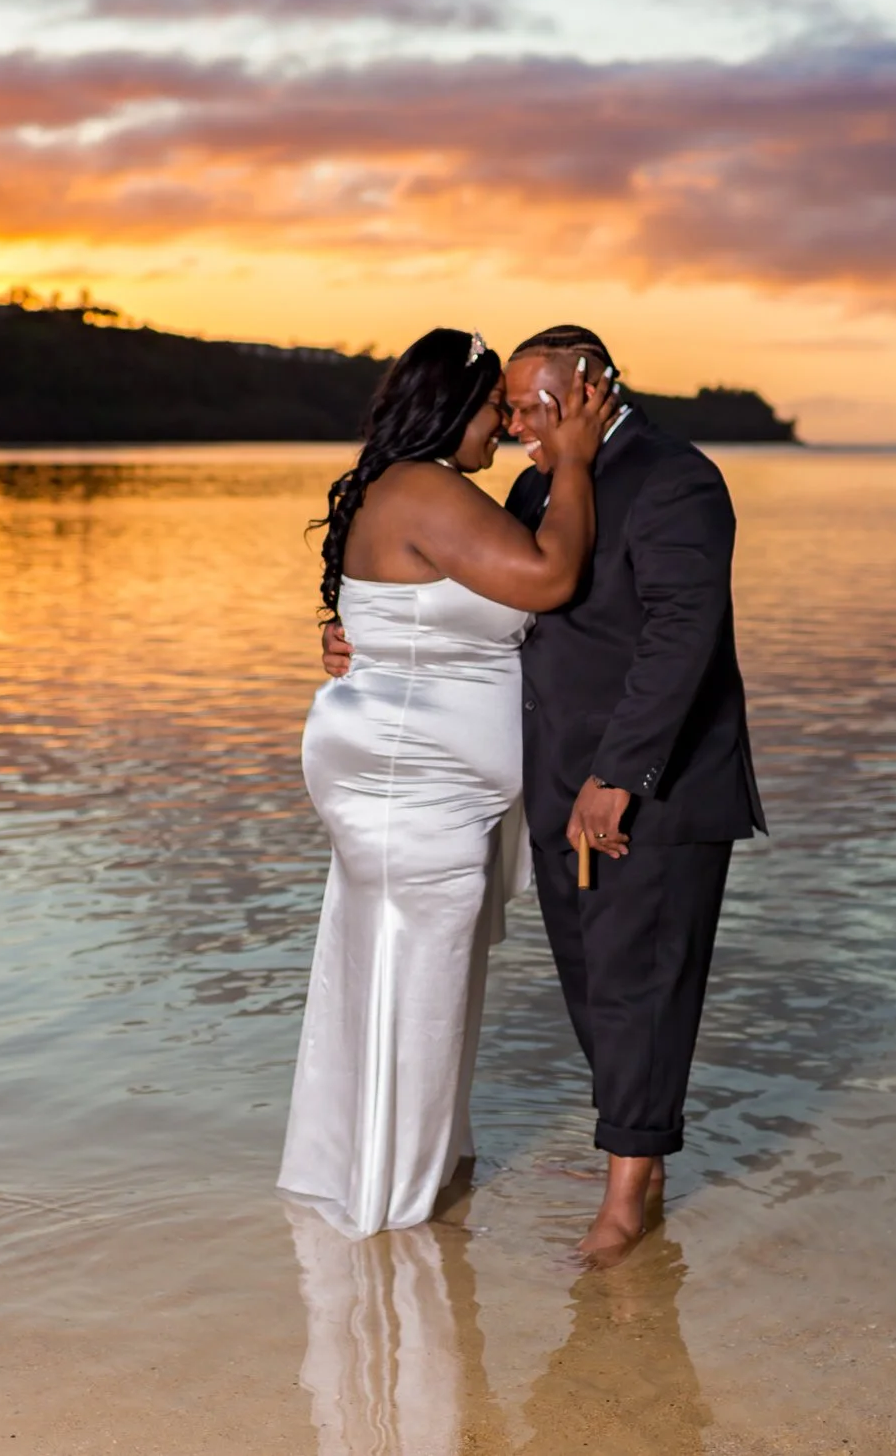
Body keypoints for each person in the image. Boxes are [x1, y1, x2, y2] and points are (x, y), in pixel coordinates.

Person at [322, 324, 762, 1265]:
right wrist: (369, 641)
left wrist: (620, 777)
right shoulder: (536, 484)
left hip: (651, 787)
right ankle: (632, 1154)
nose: (516, 421)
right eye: (509, 405)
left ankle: (625, 1201)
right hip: (557, 785)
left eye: (533, 403)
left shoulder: (677, 478)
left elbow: (682, 639)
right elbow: (479, 606)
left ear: (593, 385)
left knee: (642, 986)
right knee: (593, 984)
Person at [279, 327, 614, 1238]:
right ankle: (393, 1207)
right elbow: (548, 576)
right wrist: (576, 458)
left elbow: (396, 614)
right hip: (408, 778)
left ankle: (378, 1173)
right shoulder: (426, 487)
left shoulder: (409, 487)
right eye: (493, 410)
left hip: (411, 770)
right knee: (414, 981)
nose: (504, 428)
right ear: (450, 409)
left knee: (391, 970)